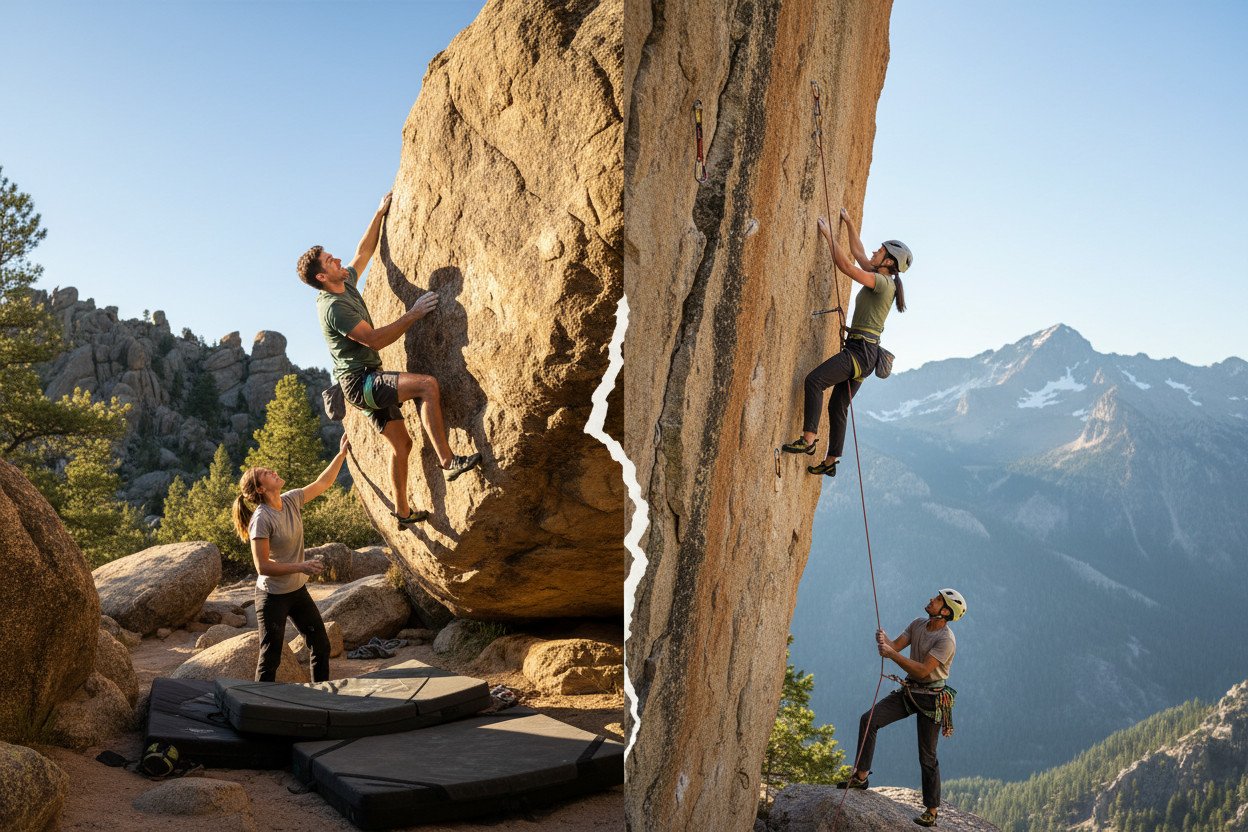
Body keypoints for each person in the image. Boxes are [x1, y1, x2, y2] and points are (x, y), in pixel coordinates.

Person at [296, 192, 481, 527]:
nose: (336, 259)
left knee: (403, 445)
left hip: (364, 381)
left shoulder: (344, 282)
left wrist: (379, 214)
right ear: (321, 277)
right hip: (361, 383)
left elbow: (363, 252)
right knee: (427, 386)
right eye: (329, 261)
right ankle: (448, 461)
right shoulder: (334, 308)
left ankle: (403, 512)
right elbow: (376, 339)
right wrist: (413, 314)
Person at [781, 209, 912, 477]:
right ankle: (830, 462)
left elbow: (846, 267)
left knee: (814, 381)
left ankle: (808, 440)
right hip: (866, 353)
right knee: (838, 405)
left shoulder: (882, 283)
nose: (875, 251)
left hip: (860, 352)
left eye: (881, 251)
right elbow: (860, 254)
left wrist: (830, 237)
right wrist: (850, 224)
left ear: (888, 262)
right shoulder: (883, 278)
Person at [837, 588, 967, 828]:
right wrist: (885, 640)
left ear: (946, 612)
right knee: (869, 719)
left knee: (927, 756)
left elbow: (921, 670)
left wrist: (891, 654)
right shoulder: (918, 624)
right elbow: (896, 646)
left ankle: (931, 810)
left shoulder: (946, 640)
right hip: (910, 692)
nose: (931, 599)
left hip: (932, 699)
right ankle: (861, 776)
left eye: (938, 600)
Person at [231, 435, 354, 683]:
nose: (273, 472)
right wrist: (302, 566)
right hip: (272, 597)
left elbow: (322, 483)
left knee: (321, 645)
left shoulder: (290, 499)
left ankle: (322, 698)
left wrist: (341, 455)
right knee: (271, 657)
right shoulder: (261, 519)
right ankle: (260, 709)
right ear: (260, 489)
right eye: (267, 473)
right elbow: (262, 567)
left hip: (297, 591)